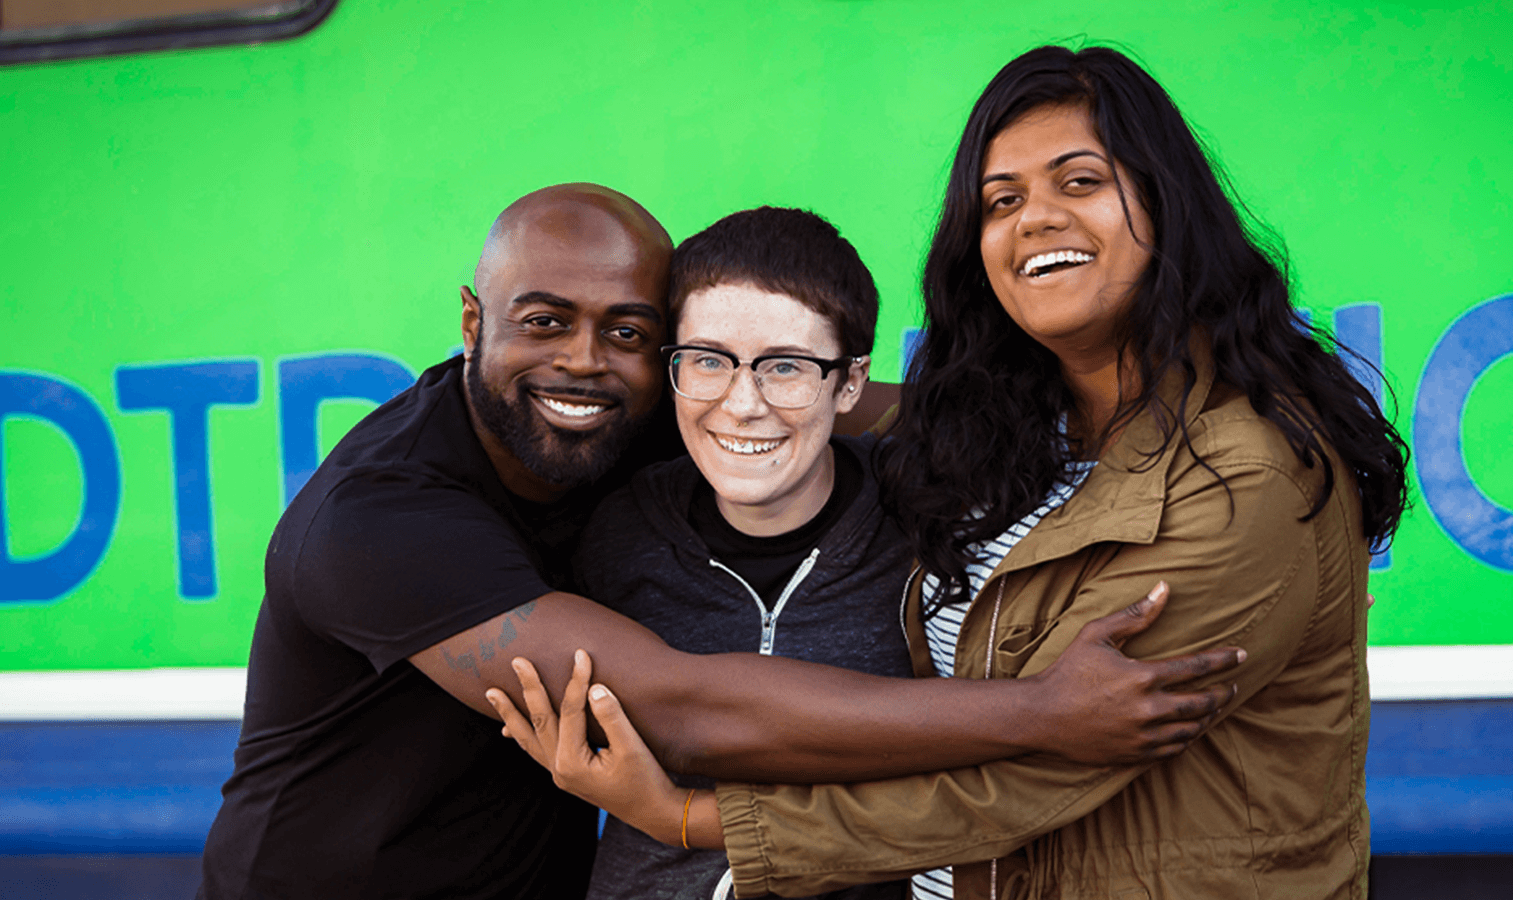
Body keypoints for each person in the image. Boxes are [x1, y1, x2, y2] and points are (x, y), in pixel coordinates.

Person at [492, 45, 1409, 900]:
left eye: (1080, 182)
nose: (1035, 218)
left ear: (1166, 204)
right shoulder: (995, 442)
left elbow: (1032, 770)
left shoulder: (1247, 475)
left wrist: (685, 817)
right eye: (1001, 201)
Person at [197, 182, 1245, 899]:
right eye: (544, 320)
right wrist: (1042, 713)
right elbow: (683, 712)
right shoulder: (376, 521)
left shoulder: (637, 410)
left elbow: (858, 403)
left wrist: (1162, 426)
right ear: (473, 321)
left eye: (627, 332)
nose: (584, 362)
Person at [578, 206, 910, 900]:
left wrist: (682, 815)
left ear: (851, 381)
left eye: (785, 366)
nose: (742, 404)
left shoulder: (922, 527)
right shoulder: (612, 531)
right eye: (708, 361)